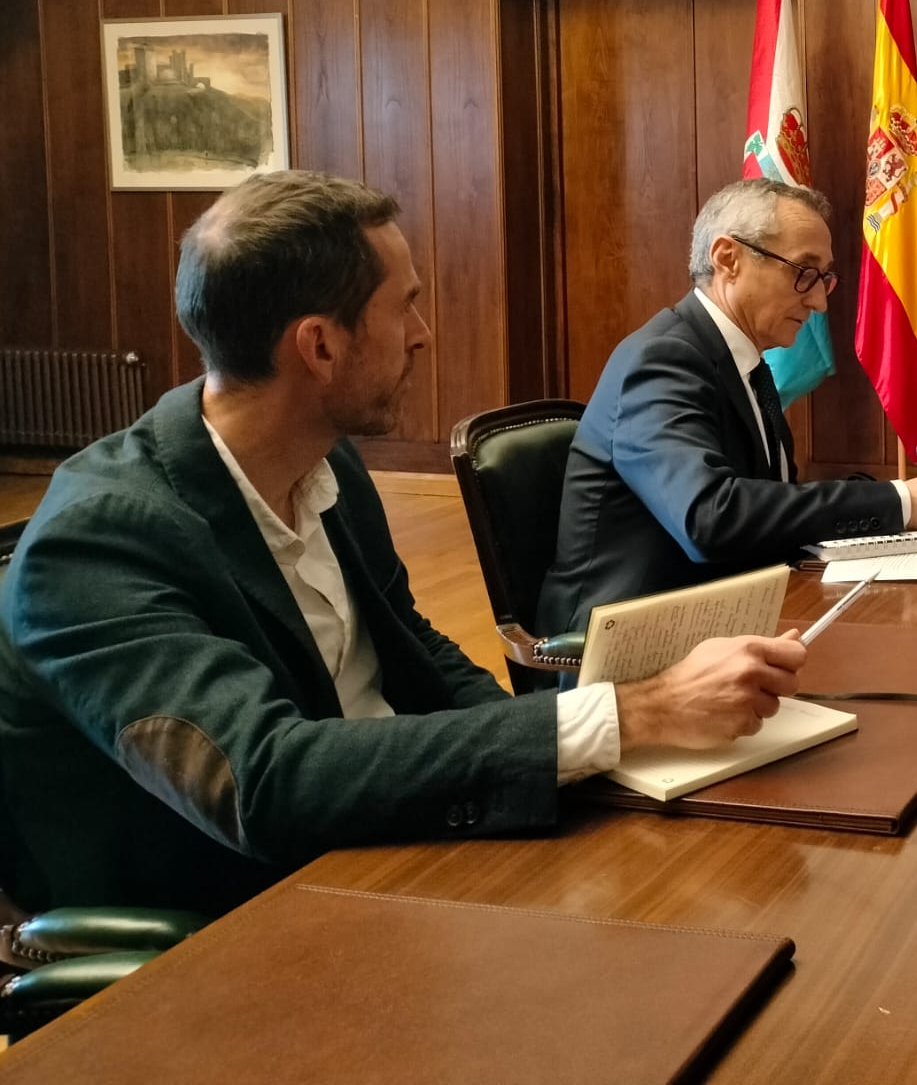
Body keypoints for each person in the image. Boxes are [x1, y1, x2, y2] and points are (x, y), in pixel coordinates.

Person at [0, 173, 807, 917]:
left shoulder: (328, 462)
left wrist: (573, 764)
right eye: (405, 307)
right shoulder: (97, 540)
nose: (423, 334)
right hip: (249, 917)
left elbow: (412, 651)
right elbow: (265, 782)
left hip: (399, 843)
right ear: (319, 346)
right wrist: (630, 713)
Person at [539, 179, 917, 640]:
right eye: (804, 272)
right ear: (728, 259)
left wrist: (890, 504)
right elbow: (712, 517)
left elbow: (771, 496)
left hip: (727, 615)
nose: (818, 300)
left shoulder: (745, 362)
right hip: (629, 643)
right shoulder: (661, 360)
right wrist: (901, 502)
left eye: (825, 277)